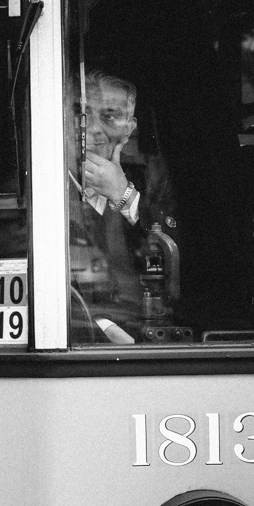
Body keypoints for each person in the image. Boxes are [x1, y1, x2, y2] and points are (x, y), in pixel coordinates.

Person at [70, 70, 179, 341]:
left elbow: (180, 254)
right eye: (83, 115)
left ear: (128, 130)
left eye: (109, 117)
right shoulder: (43, 186)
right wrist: (105, 328)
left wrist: (124, 195)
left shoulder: (152, 180)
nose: (94, 129)